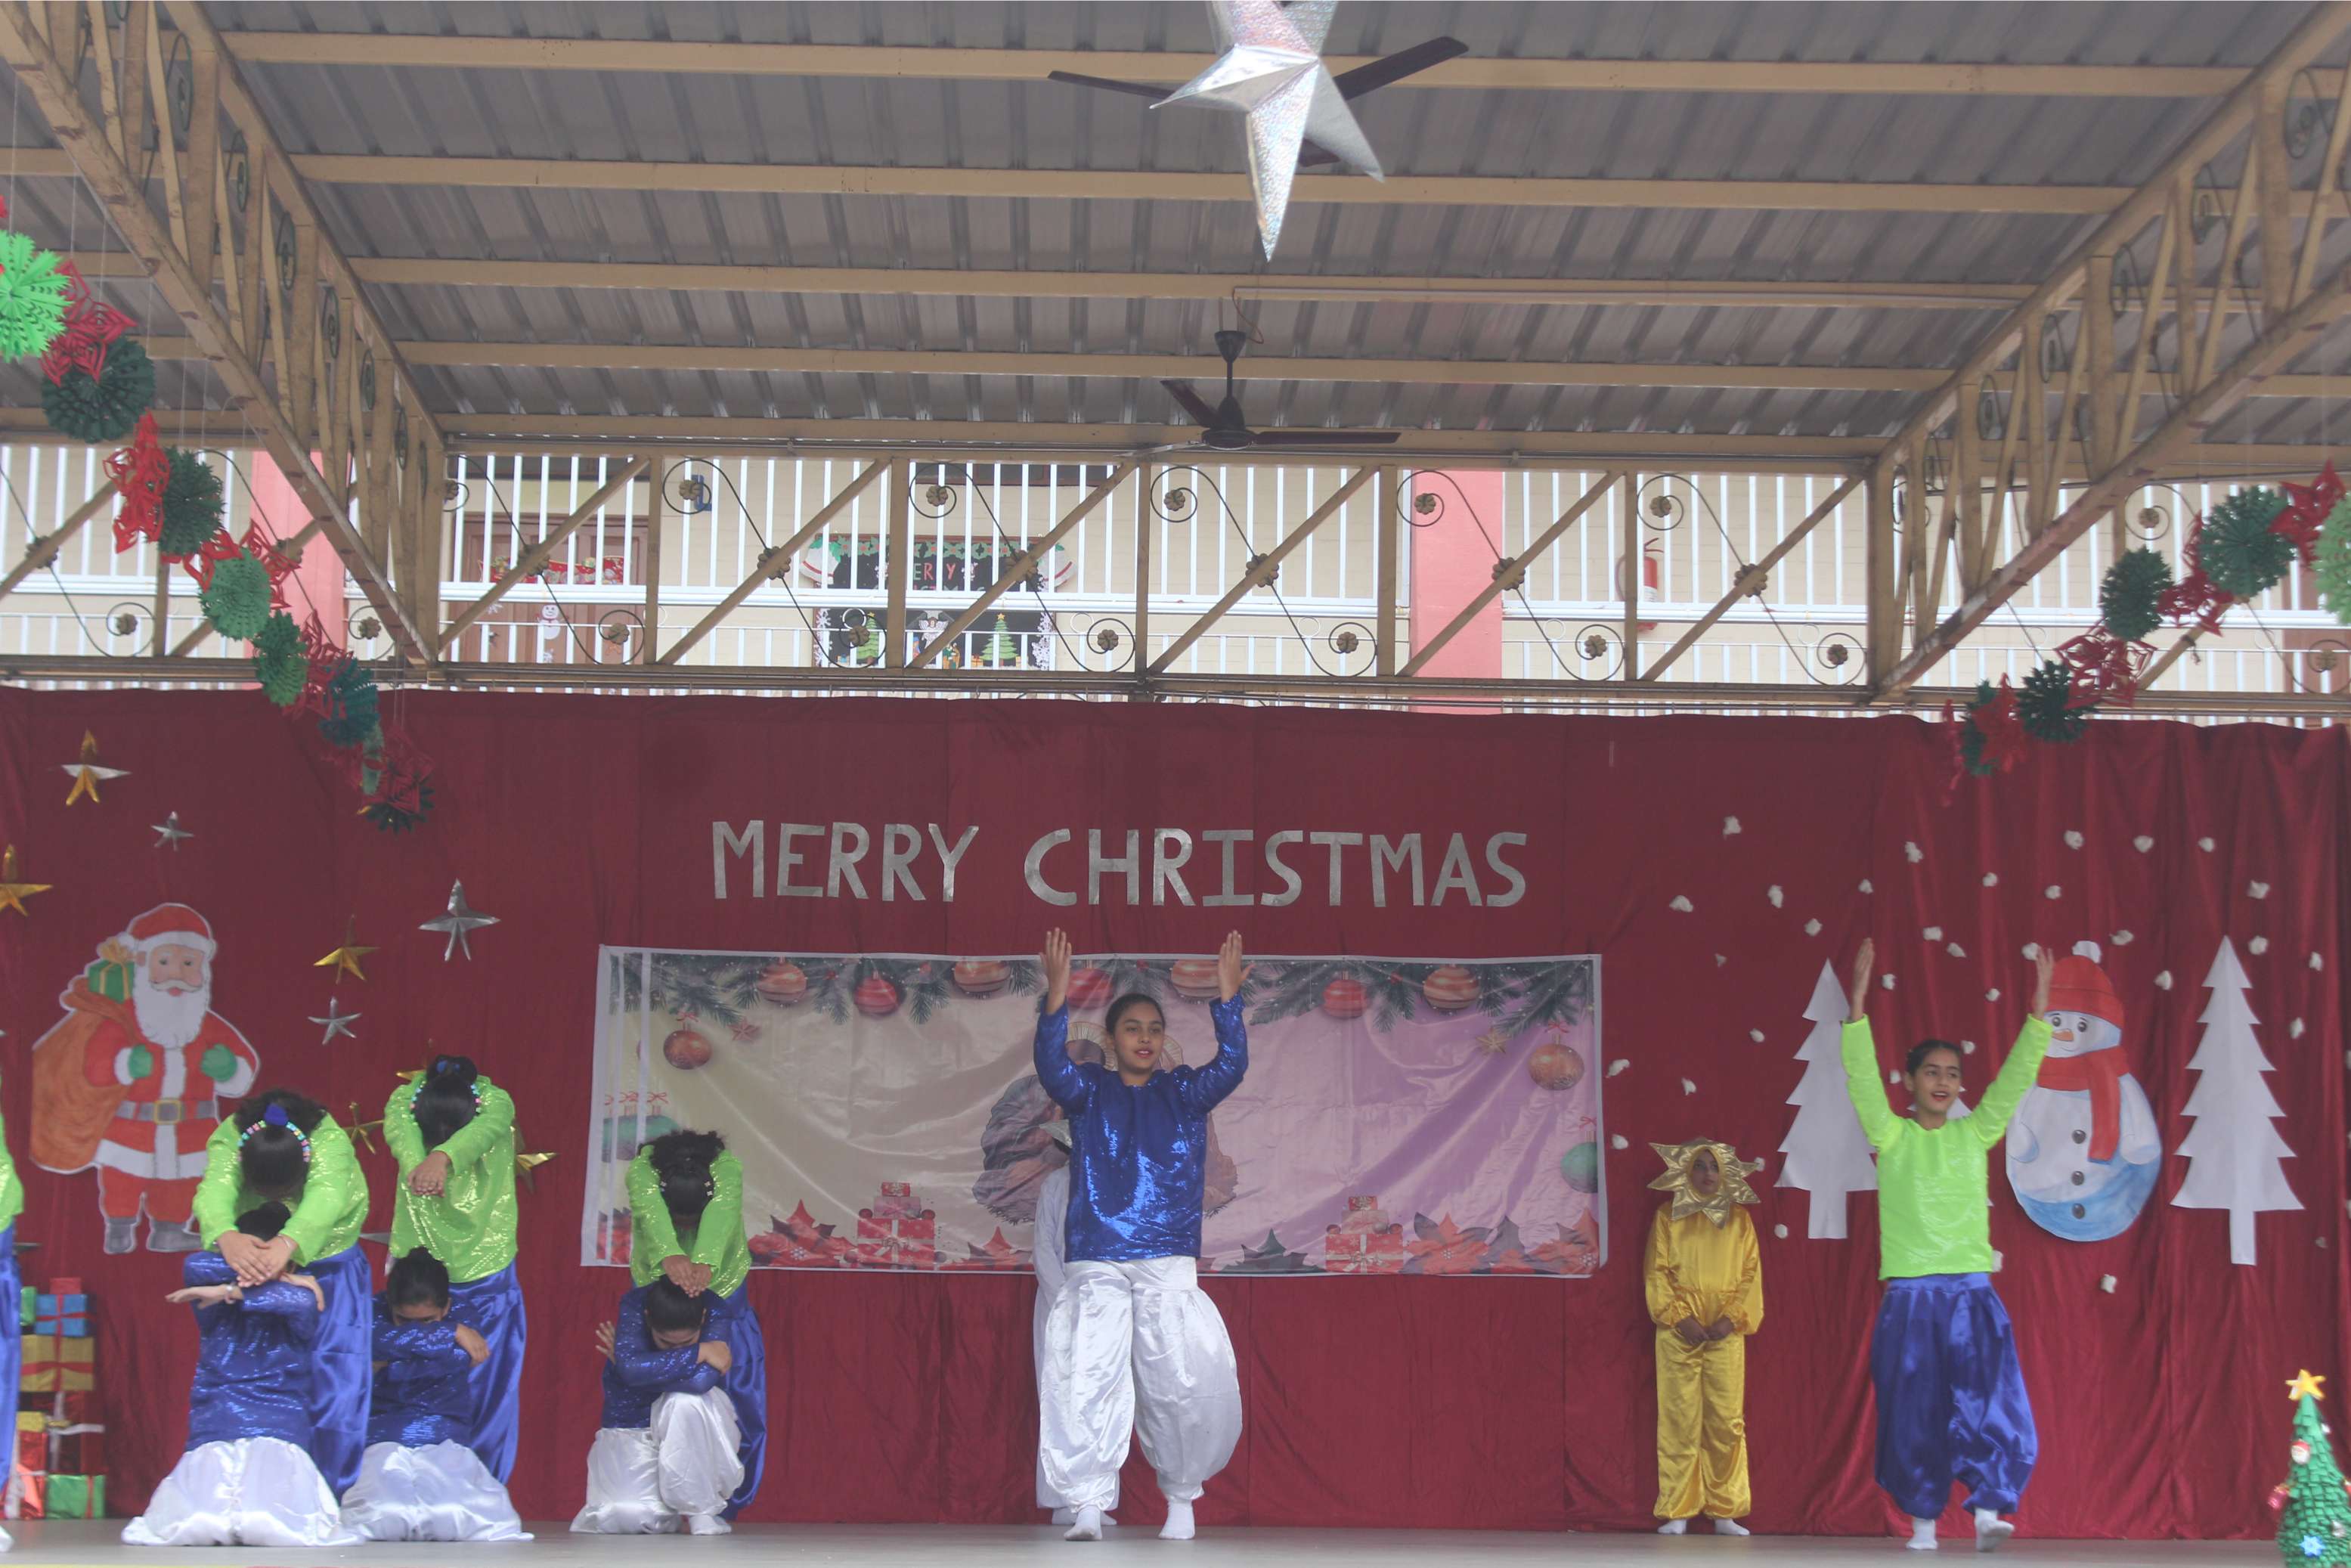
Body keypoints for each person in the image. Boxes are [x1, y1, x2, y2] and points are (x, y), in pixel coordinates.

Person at [1033, 930, 1248, 1544]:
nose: (1146, 1038)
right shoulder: (1087, 1091)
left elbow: (1231, 1066)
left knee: (1177, 1381)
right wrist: (1056, 996)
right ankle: (1086, 1503)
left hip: (1166, 1256)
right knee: (1088, 1373)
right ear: (1112, 1040)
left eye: (1154, 1028)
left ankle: (1181, 1499)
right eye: (1133, 1028)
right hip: (1098, 1254)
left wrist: (1227, 1001)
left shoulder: (1183, 1093)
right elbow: (1051, 1066)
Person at [1844, 937, 2053, 1553]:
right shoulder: (1892, 1136)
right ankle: (1924, 1526)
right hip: (1912, 1298)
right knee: (1915, 1411)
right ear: (1910, 1081)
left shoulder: (1975, 1133)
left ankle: (1988, 1512)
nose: (1943, 1081)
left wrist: (2038, 1018)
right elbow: (1862, 1081)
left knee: (1991, 1404)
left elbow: (2013, 1083)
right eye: (1932, 1071)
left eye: (1953, 1073)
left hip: (1970, 1294)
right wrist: (1856, 1012)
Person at [121, 1204, 355, 1547]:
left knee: (270, 1522)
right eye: (247, 1259)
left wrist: (230, 1291)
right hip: (219, 1412)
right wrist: (258, 1268)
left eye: (267, 1259)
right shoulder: (214, 1287)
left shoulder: (298, 1295)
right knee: (202, 1522)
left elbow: (301, 1304)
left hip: (278, 1418)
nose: (256, 1266)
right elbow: (195, 1265)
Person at [190, 1091, 371, 1495]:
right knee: (258, 1384)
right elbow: (214, 1190)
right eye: (264, 1191)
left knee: (335, 1387)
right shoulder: (232, 1138)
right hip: (254, 1266)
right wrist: (225, 1235)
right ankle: (255, 1495)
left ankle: (328, 1498)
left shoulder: (328, 1140)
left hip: (330, 1267)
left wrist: (289, 1244)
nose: (276, 1200)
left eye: (285, 1190)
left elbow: (327, 1197)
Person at [385, 1055, 528, 1481]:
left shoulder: (495, 1103)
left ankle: (479, 1487)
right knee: (407, 1377)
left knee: (485, 1387)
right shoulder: (405, 1101)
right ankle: (407, 1482)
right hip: (417, 1262)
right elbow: (398, 1121)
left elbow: (491, 1122)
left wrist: (443, 1157)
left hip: (485, 1268)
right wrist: (420, 1163)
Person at [339, 1250, 531, 1542]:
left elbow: (458, 1359)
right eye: (404, 1321)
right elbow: (375, 1342)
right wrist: (448, 1331)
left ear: (447, 1306)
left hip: (446, 1440)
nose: (417, 1328)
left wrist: (388, 1364)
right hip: (382, 1439)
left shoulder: (466, 1313)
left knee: (459, 1515)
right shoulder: (373, 1309)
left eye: (429, 1321)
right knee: (382, 1514)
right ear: (390, 1304)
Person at [624, 1128, 764, 1517]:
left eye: (692, 1222)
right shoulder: (643, 1170)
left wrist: (705, 1259)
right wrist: (669, 1253)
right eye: (679, 1222)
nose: (686, 1229)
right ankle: (655, 1504)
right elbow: (649, 1210)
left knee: (737, 1401)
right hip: (658, 1290)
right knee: (651, 1399)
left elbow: (723, 1211)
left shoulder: (726, 1168)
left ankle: (723, 1503)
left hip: (724, 1288)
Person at [1644, 1139, 1765, 1538]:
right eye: (1700, 1166)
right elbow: (1656, 1272)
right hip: (1679, 1334)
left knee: (1726, 1421)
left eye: (1714, 1167)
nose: (1708, 1174)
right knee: (1679, 1419)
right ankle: (1678, 1508)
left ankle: (1725, 1510)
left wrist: (1731, 1319)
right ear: (1686, 1171)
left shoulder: (1740, 1221)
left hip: (1725, 1334)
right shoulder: (1667, 1217)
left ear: (1726, 1173)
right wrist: (1680, 1318)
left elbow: (1750, 1275)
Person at [572, 1278, 743, 1535]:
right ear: (648, 1320)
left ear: (702, 1320)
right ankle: (666, 1509)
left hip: (696, 1422)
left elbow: (700, 1382)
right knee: (626, 1517)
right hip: (633, 1425)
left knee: (684, 1401)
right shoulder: (635, 1305)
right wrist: (699, 1351)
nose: (677, 1349)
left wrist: (642, 1367)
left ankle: (700, 1511)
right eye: (666, 1343)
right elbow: (631, 1371)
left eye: (687, 1343)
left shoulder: (715, 1309)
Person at [1032, 1118, 1116, 1529]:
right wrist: (1064, 1298)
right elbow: (1043, 1249)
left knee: (1102, 1397)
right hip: (1059, 1302)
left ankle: (1095, 1500)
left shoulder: (1115, 1183)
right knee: (1059, 1397)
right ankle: (1061, 1499)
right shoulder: (1056, 1185)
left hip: (1104, 1303)